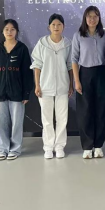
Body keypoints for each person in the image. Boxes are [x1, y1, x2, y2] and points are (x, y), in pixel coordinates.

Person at [0, 19, 33, 161]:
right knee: (1, 124)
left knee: (17, 123)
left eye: (12, 29)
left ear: (17, 31)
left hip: (17, 93)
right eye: (6, 29)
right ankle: (3, 149)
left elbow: (27, 73)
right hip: (0, 92)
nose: (9, 32)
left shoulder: (22, 49)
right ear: (2, 31)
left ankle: (15, 149)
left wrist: (26, 93)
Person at [31, 14, 73, 159]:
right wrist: (37, 85)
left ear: (63, 27)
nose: (56, 27)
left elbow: (70, 66)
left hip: (63, 86)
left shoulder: (68, 44)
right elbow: (37, 65)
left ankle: (59, 146)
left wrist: (71, 85)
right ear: (49, 27)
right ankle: (48, 147)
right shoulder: (42, 43)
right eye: (53, 25)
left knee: (62, 119)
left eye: (59, 24)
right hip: (45, 87)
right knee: (47, 119)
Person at [72, 6, 105, 159]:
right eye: (89, 16)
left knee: (101, 110)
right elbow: (74, 59)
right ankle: (87, 146)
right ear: (85, 18)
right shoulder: (78, 35)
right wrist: (77, 80)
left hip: (102, 73)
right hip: (85, 74)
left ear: (99, 18)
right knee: (85, 111)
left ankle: (98, 145)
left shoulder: (104, 34)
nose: (92, 19)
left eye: (95, 16)